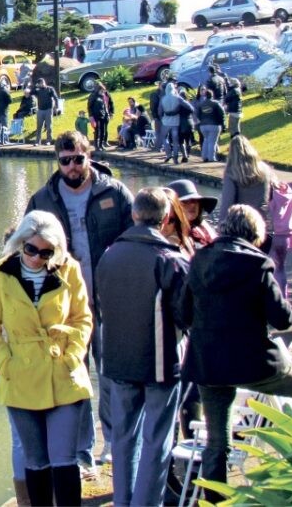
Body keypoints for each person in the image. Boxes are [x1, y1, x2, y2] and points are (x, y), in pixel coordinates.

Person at [176, 205, 292, 494]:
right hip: (253, 364)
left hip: (208, 364)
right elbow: (282, 319)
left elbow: (184, 315)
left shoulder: (200, 260)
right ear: (256, 233)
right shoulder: (258, 264)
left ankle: (214, 500)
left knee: (217, 443)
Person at [24, 130, 135, 473]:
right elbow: (25, 250)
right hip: (65, 307)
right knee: (74, 378)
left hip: (111, 300)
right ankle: (82, 453)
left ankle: (117, 446)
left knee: (114, 375)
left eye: (78, 159)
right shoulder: (42, 200)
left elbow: (139, 239)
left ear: (90, 156)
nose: (72, 167)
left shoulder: (114, 193)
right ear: (57, 161)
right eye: (65, 160)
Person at [0, 210, 93, 507]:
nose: (36, 258)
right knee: (36, 461)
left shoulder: (69, 270)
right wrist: (5, 364)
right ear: (20, 243)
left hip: (63, 373)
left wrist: (72, 357)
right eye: (31, 249)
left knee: (65, 460)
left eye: (46, 252)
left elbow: (83, 318)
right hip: (21, 376)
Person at [96, 188, 189, 507]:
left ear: (134, 214)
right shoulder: (170, 260)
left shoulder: (109, 255)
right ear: (165, 219)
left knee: (123, 439)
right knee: (157, 439)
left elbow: (100, 304)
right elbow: (187, 313)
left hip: (118, 360)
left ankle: (124, 502)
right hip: (159, 362)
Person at [217, 136, 273, 248]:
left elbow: (227, 202)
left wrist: (220, 228)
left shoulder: (231, 172)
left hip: (239, 227)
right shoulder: (265, 170)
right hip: (260, 223)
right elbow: (268, 197)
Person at [268, 178, 292, 296]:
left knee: (270, 269)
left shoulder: (268, 192)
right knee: (280, 268)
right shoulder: (288, 191)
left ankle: (274, 298)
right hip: (286, 235)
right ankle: (283, 296)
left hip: (271, 234)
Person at [167, 179, 219, 249]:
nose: (192, 205)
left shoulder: (203, 226)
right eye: (185, 201)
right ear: (173, 208)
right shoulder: (169, 236)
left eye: (194, 200)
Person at [195, 88, 224, 162]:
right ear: (212, 95)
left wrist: (202, 120)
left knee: (206, 140)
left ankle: (204, 157)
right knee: (212, 142)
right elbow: (222, 113)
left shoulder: (201, 104)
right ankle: (211, 158)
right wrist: (222, 124)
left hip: (203, 126)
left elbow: (197, 114)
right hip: (214, 125)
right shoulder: (216, 103)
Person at [32, 78, 60, 145]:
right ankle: (37, 141)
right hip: (40, 110)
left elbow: (56, 97)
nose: (42, 84)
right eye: (40, 83)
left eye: (42, 82)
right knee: (39, 126)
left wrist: (56, 106)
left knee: (48, 126)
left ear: (44, 82)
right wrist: (35, 86)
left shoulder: (50, 89)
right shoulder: (37, 90)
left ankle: (48, 141)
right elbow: (31, 93)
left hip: (48, 109)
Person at [87, 83, 113, 150]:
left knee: (103, 131)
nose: (103, 92)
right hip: (95, 116)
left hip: (103, 115)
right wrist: (91, 116)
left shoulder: (102, 96)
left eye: (103, 90)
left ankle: (101, 145)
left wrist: (107, 114)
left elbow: (104, 106)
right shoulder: (93, 96)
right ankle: (96, 146)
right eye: (102, 90)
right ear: (98, 89)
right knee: (97, 130)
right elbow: (89, 106)